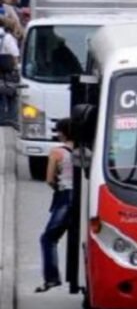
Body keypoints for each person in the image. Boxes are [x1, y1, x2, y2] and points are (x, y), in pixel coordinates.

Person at [37, 118, 74, 292]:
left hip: (65, 196)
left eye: (59, 131)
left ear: (63, 132)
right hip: (83, 197)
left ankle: (52, 278)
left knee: (48, 238)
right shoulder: (86, 150)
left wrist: (58, 187)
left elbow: (49, 179)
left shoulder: (57, 152)